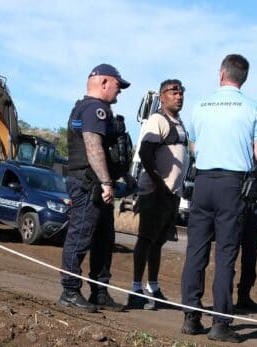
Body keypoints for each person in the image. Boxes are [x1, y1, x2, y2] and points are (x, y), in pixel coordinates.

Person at [181, 54, 257, 342]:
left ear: (221, 74)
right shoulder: (254, 108)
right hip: (233, 185)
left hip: (203, 181)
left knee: (196, 250)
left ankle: (190, 317)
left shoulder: (201, 105)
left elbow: (193, 147)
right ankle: (220, 323)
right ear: (244, 78)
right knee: (226, 254)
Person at [58, 63, 131, 312]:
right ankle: (70, 291)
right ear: (104, 82)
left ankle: (99, 292)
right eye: (118, 85)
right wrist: (107, 183)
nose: (119, 91)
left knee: (103, 240)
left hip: (96, 184)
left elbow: (112, 150)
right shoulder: (93, 109)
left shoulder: (93, 108)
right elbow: (93, 147)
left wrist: (122, 177)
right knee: (80, 236)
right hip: (88, 184)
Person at [126, 79, 190, 310]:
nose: (179, 96)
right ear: (162, 96)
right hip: (155, 192)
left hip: (171, 194)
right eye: (173, 92)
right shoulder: (157, 120)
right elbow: (145, 151)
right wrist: (158, 183)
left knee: (158, 241)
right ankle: (135, 289)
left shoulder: (179, 123)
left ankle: (153, 287)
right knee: (145, 239)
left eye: (181, 92)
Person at [235, 162, 257, 312]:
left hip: (252, 207)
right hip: (239, 206)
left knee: (249, 256)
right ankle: (226, 297)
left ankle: (244, 296)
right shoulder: (243, 157)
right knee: (230, 254)